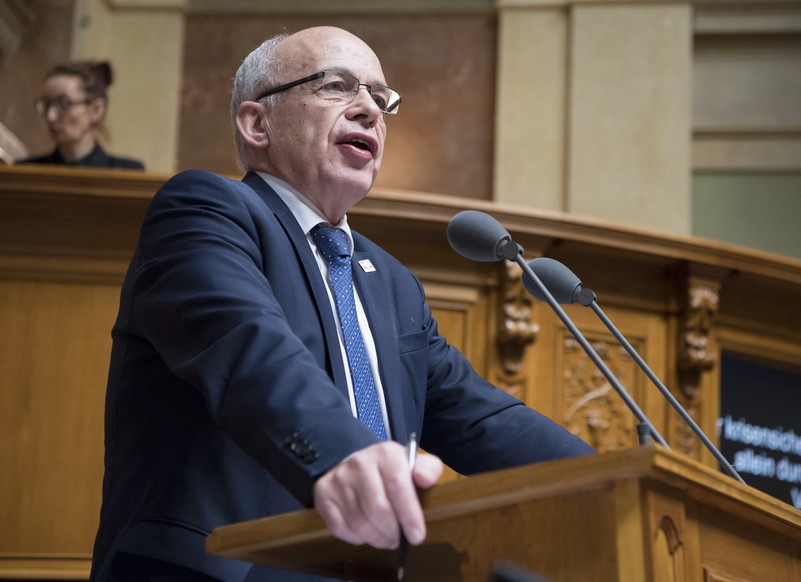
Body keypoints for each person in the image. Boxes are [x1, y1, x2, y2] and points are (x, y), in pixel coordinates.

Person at [88, 26, 596, 582]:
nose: (369, 112)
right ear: (257, 123)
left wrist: (614, 477)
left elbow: (479, 417)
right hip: (222, 567)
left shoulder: (391, 281)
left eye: (381, 99)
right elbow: (249, 348)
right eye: (337, 87)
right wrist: (343, 453)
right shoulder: (207, 211)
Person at [21, 60, 144, 169]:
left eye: (64, 104)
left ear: (97, 110)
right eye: (47, 104)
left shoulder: (127, 173)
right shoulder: (25, 172)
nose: (50, 116)